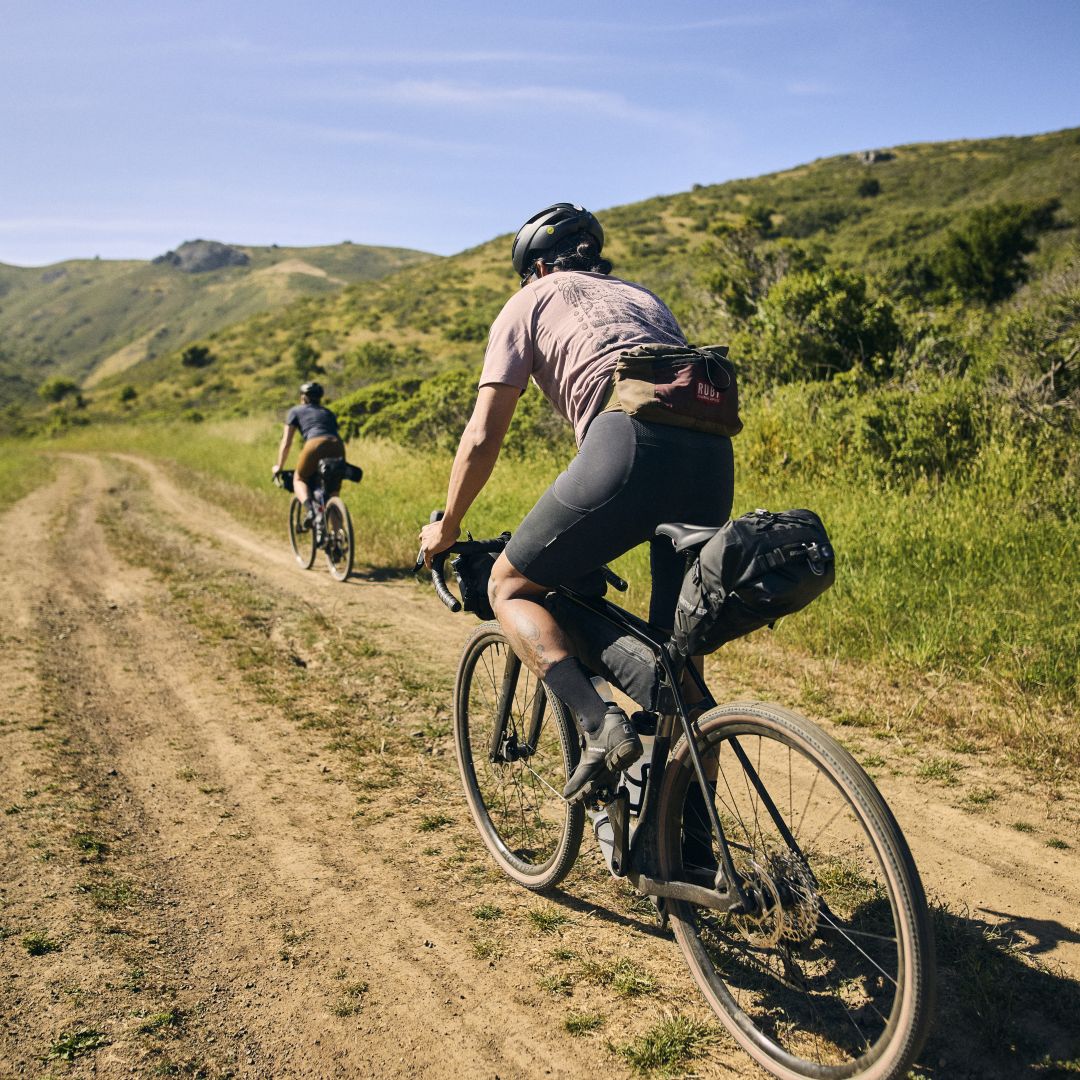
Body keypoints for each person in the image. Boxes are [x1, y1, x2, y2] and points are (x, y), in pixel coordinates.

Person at [419, 203, 734, 802]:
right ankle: (690, 847)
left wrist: (449, 526)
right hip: (713, 459)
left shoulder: (528, 302)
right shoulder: (642, 297)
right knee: (677, 658)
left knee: (508, 585)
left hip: (629, 445)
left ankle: (601, 725)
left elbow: (484, 435)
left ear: (535, 266)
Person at [271, 381, 345, 526]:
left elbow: (286, 442)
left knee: (299, 479)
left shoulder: (296, 411)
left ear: (303, 397)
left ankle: (311, 510)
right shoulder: (328, 412)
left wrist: (279, 467)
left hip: (314, 444)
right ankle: (339, 538)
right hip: (338, 446)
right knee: (332, 493)